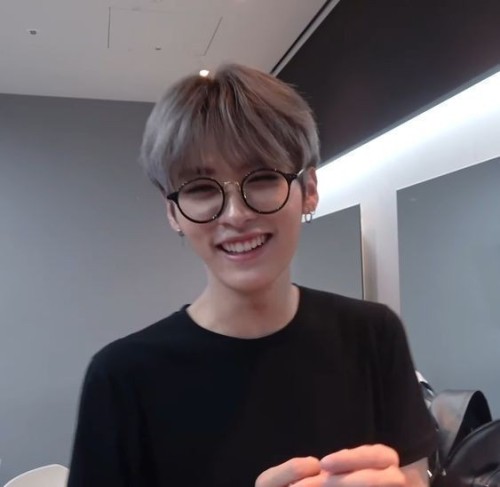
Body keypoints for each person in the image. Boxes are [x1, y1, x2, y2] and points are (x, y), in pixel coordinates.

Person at [67, 64, 437, 487]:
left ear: (309, 189)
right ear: (173, 213)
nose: (236, 214)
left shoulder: (373, 334)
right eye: (201, 188)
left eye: (261, 178)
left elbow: (413, 475)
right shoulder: (121, 378)